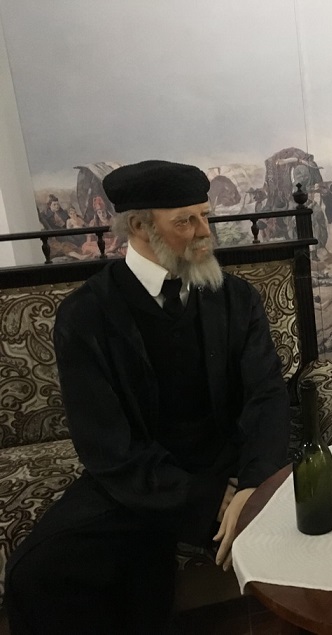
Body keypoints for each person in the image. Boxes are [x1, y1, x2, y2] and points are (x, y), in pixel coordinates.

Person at [5, 160, 291, 634]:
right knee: (37, 573)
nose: (205, 232)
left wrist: (253, 487)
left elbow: (267, 395)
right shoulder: (85, 315)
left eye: (205, 216)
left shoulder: (236, 298)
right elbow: (105, 445)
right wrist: (205, 501)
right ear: (139, 226)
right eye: (185, 221)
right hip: (136, 481)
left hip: (227, 462)